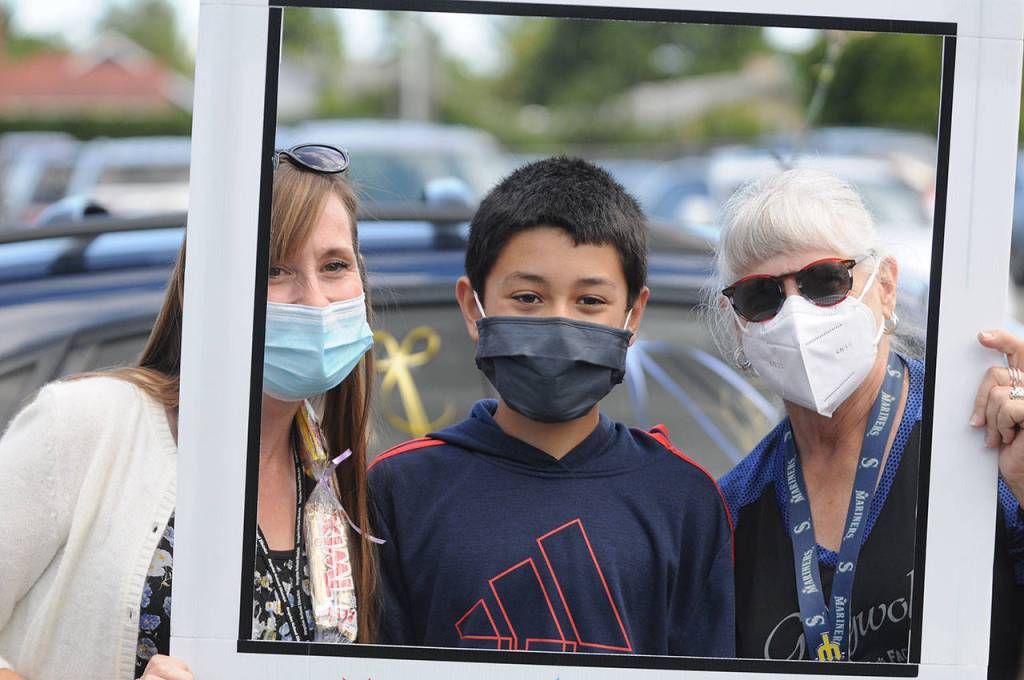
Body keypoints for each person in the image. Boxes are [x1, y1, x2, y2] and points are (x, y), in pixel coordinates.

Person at [0, 144, 379, 680]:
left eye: (334, 265)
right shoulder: (86, 424)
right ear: (209, 285)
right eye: (273, 270)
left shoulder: (328, 473)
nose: (315, 301)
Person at [368, 157, 735, 657]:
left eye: (589, 302)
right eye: (527, 297)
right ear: (472, 307)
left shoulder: (684, 497)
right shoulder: (399, 488)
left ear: (634, 314)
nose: (559, 325)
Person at [707, 169, 1024, 667]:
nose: (796, 313)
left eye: (826, 280)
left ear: (887, 287)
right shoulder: (734, 508)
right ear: (738, 324)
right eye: (761, 296)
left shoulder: (981, 438)